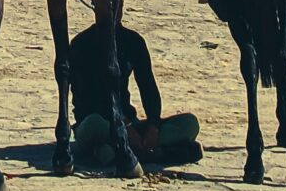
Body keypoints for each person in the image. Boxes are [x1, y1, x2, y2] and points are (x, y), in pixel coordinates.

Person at [65, 21, 201, 170]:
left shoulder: (132, 40)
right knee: (93, 125)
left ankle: (119, 151)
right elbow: (85, 100)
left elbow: (148, 87)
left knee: (190, 123)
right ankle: (156, 153)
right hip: (100, 122)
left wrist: (153, 125)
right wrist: (124, 127)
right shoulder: (82, 43)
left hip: (131, 124)